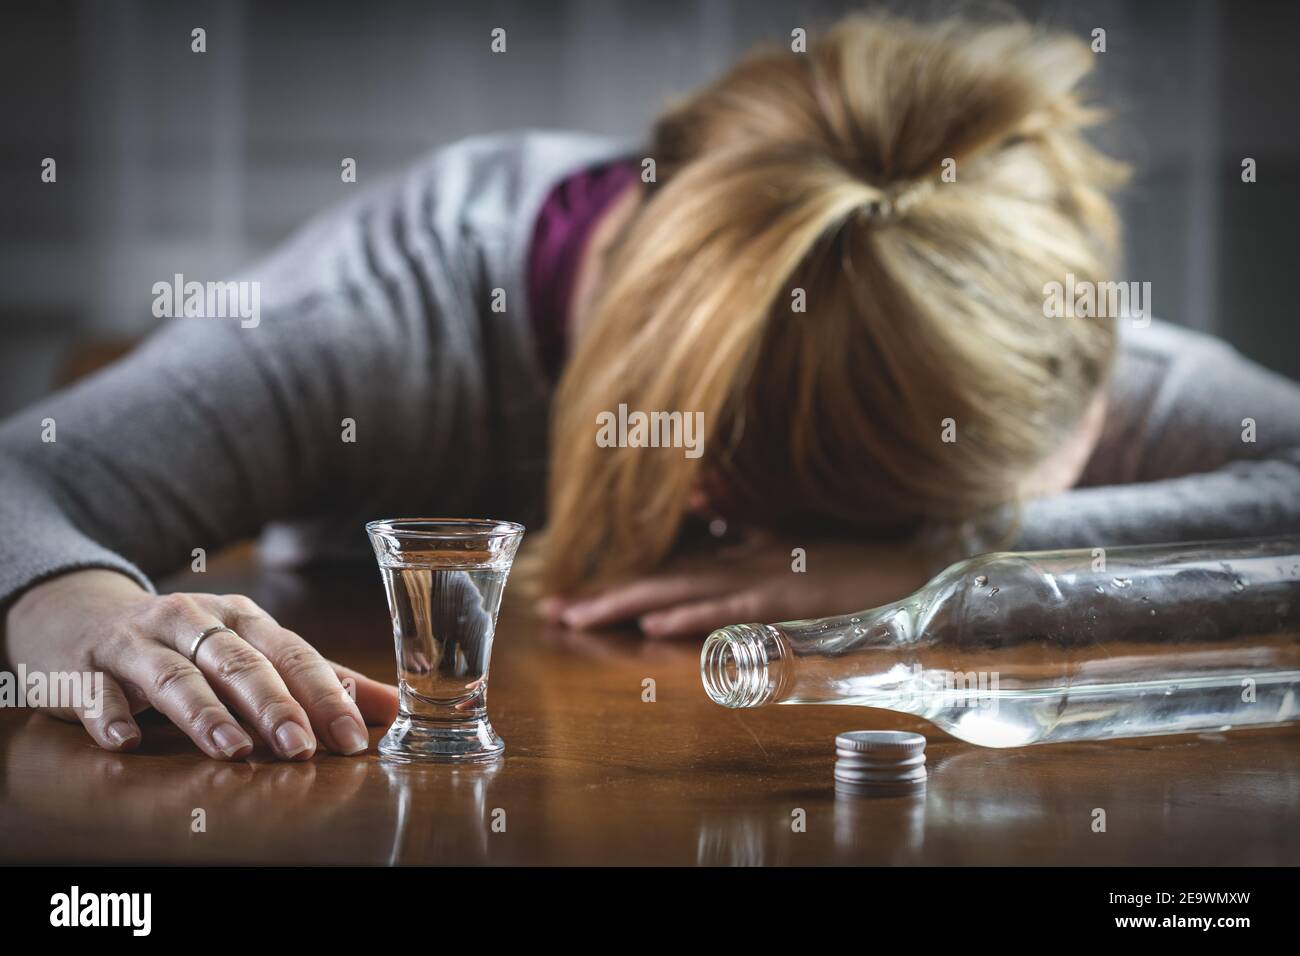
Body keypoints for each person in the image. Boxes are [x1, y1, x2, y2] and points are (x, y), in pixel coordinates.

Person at [2, 12, 1297, 761]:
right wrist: (72, 603)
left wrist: (950, 558)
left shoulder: (968, 307)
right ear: (713, 481)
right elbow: (26, 474)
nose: (1106, 416)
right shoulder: (390, 321)